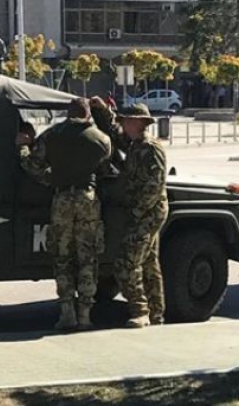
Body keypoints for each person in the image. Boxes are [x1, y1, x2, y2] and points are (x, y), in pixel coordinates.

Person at [17, 99, 112, 331]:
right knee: (87, 256)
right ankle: (86, 314)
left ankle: (67, 312)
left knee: (62, 256)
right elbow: (106, 167)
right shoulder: (101, 139)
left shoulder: (51, 135)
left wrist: (22, 148)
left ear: (67, 114)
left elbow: (33, 165)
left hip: (61, 199)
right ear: (88, 114)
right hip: (88, 199)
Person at [90, 97, 168, 328]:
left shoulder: (150, 148)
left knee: (126, 262)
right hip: (144, 212)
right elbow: (114, 133)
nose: (123, 124)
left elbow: (154, 186)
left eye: (127, 120)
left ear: (138, 122)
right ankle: (156, 314)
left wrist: (136, 212)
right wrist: (102, 111)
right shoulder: (135, 144)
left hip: (148, 213)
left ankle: (140, 311)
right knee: (149, 265)